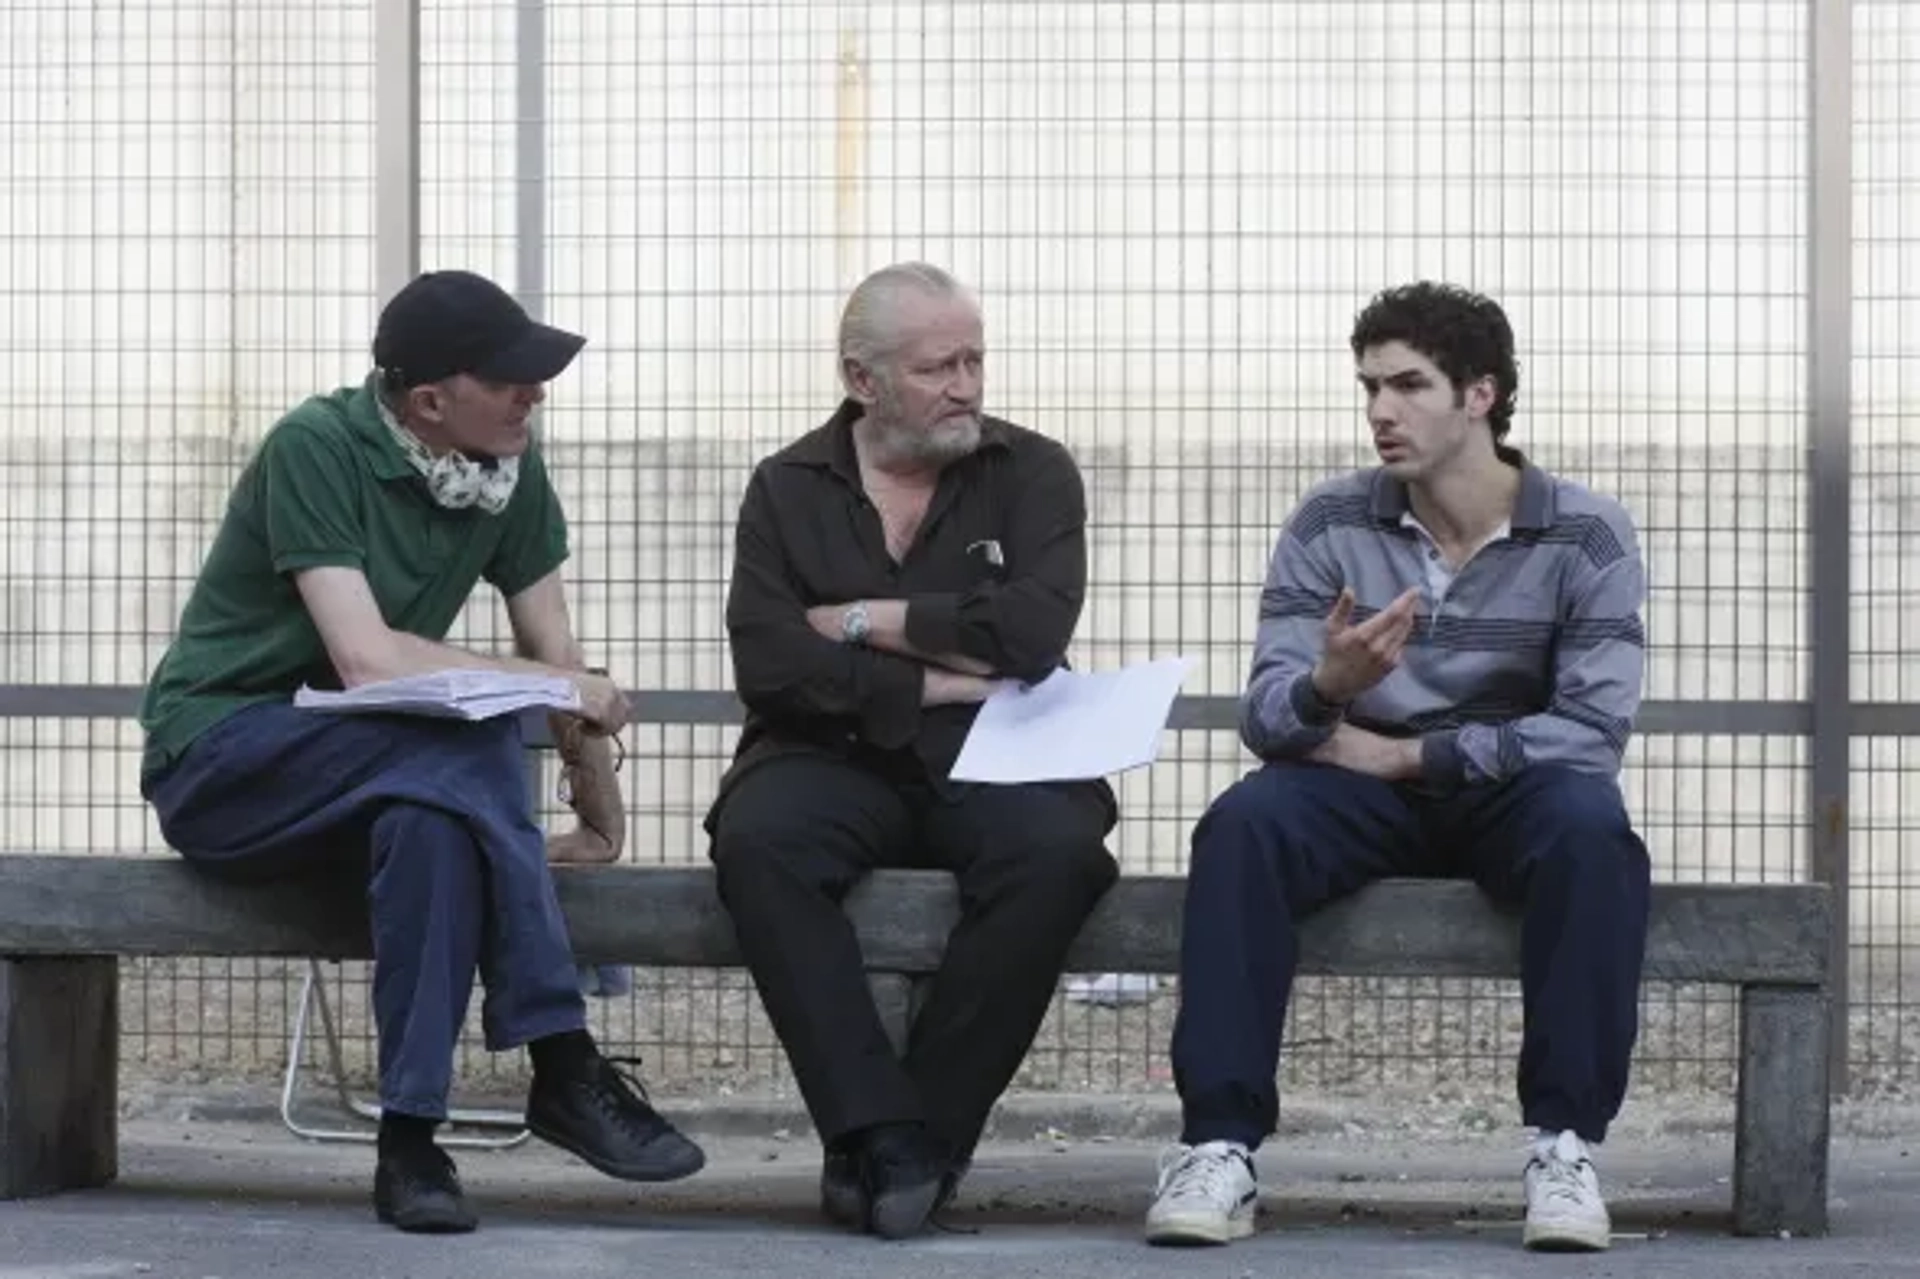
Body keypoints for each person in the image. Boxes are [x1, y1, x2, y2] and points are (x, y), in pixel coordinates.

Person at [137, 269, 706, 1234]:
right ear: (430, 399)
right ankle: (564, 1062)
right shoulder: (317, 447)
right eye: (512, 377)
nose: (537, 393)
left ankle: (409, 1146)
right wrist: (555, 697)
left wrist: (599, 812)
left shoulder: (506, 467)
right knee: (466, 738)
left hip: (377, 779)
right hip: (230, 760)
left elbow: (553, 653)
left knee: (433, 823)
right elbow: (366, 660)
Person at [1145, 282, 1650, 1253]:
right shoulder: (1331, 520)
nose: (1380, 411)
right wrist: (1327, 686)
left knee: (1592, 832)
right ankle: (1217, 1143)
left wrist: (1415, 751)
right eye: (1370, 386)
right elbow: (1269, 712)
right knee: (1244, 824)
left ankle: (1564, 1146)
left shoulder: (1586, 532)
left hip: (1507, 787)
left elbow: (1589, 732)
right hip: (1357, 786)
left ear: (1481, 395)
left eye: (1409, 385)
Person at [707, 262, 1119, 1239]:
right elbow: (770, 665)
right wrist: (930, 671)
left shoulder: (1033, 471)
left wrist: (855, 618)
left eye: (976, 359)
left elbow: (1028, 637)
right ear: (864, 380)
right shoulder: (786, 486)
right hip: (826, 751)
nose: (969, 385)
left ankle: (917, 1132)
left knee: (1059, 857)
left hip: (999, 742)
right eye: (940, 367)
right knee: (760, 844)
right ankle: (878, 1125)